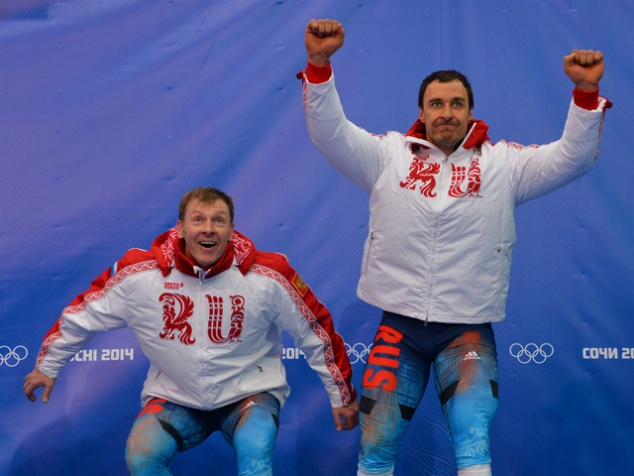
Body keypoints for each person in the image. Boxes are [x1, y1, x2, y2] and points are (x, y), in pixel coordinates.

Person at [300, 19, 610, 476]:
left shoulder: (505, 163)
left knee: (473, 443)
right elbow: (330, 133)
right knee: (376, 445)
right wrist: (320, 64)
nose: (447, 112)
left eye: (456, 104)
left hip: (466, 330)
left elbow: (573, 158)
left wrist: (585, 97)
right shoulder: (387, 155)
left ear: (470, 112)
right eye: (437, 104)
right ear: (421, 112)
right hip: (398, 329)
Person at [24, 187, 359, 476]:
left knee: (256, 455)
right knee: (142, 457)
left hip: (248, 393)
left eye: (219, 220)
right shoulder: (139, 273)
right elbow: (84, 314)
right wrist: (48, 366)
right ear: (180, 228)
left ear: (231, 230)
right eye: (198, 219)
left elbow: (317, 331)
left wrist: (341, 396)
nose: (208, 229)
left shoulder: (269, 274)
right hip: (175, 396)